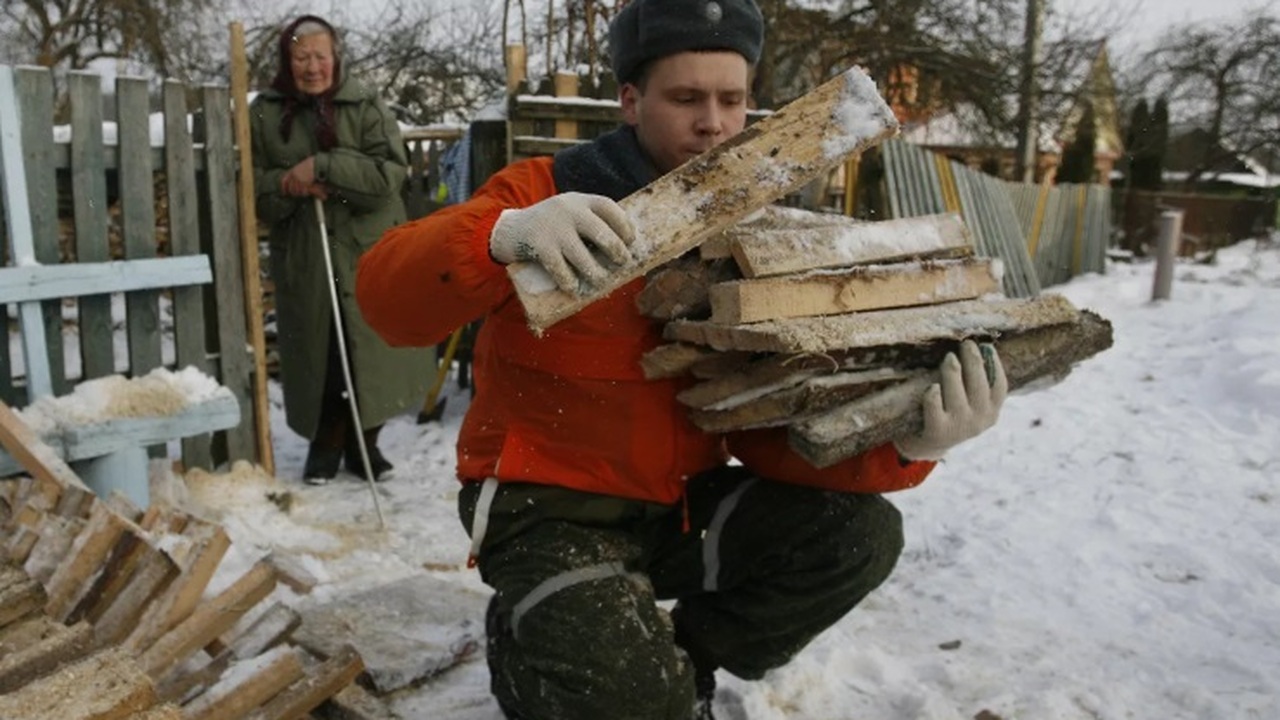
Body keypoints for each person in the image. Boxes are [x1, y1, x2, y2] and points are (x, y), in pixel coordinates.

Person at [356, 0, 1007, 717]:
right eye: (686, 98)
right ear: (631, 101)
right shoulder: (545, 192)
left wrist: (906, 442)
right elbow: (388, 303)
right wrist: (498, 236)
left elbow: (763, 424)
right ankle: (533, 640)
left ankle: (679, 655)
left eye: (732, 99)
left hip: (678, 510)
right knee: (635, 700)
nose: (715, 123)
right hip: (544, 508)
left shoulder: (747, 231)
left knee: (858, 535)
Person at [250, 15, 431, 485]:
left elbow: (388, 175)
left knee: (371, 354)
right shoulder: (266, 113)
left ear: (336, 57)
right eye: (301, 57)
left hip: (367, 250)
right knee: (322, 352)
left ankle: (365, 444)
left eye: (320, 56)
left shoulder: (365, 103)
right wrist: (290, 184)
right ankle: (325, 444)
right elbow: (255, 190)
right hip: (307, 253)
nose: (312, 67)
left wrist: (324, 166)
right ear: (287, 63)